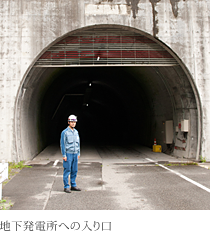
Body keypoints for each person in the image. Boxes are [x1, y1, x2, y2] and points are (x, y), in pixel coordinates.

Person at [60, 115, 81, 193]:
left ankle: (73, 185)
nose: (73, 123)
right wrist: (64, 155)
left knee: (74, 170)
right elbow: (63, 144)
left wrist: (78, 153)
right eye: (71, 122)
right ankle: (66, 186)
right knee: (67, 170)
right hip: (68, 154)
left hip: (75, 153)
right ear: (68, 122)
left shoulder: (76, 132)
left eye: (74, 122)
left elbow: (78, 143)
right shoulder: (64, 132)